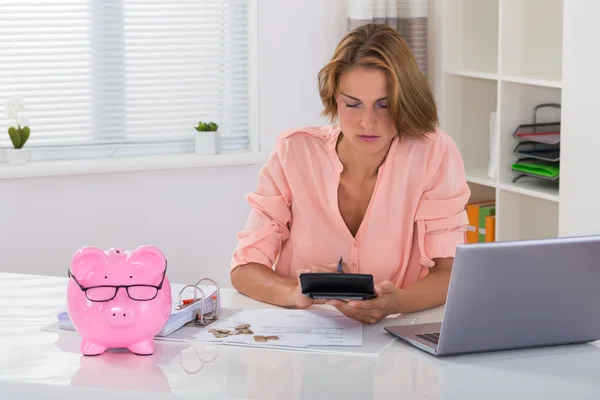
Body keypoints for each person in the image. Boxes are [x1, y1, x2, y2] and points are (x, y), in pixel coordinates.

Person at [229, 23, 471, 323]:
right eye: (353, 105)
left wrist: (398, 302)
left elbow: (450, 272)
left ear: (405, 102)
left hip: (395, 339)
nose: (367, 122)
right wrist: (296, 292)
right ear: (334, 100)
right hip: (304, 339)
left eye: (384, 105)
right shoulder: (294, 153)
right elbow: (244, 269)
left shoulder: (433, 153)